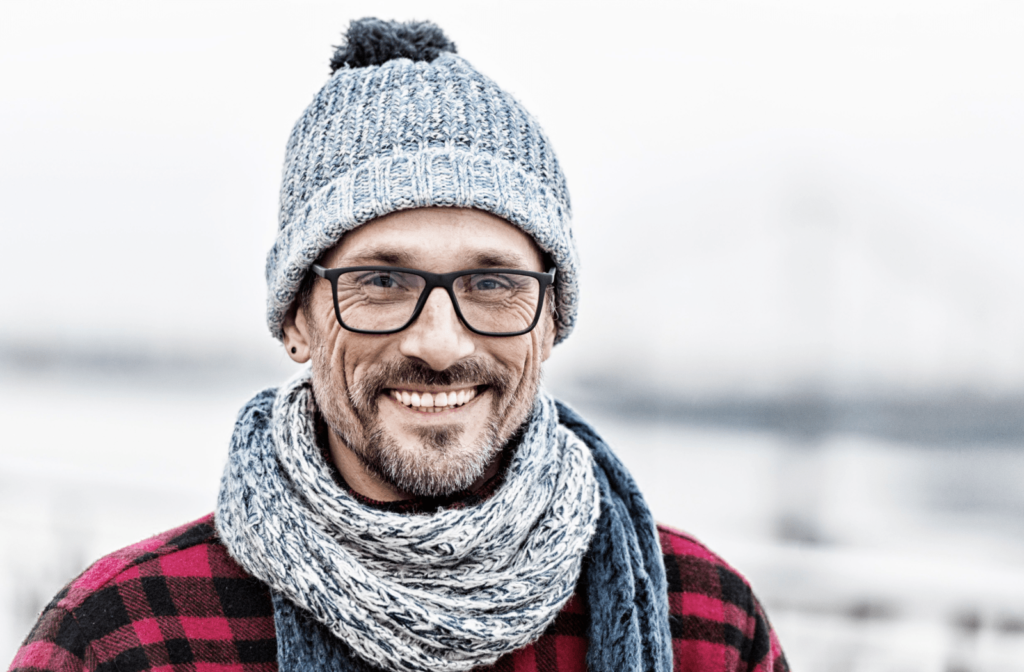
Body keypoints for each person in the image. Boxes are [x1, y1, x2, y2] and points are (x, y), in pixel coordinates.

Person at [9, 18, 788, 672]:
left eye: (493, 284)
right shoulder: (131, 636)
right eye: (382, 282)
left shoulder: (705, 624)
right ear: (296, 320)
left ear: (551, 322)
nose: (441, 344)